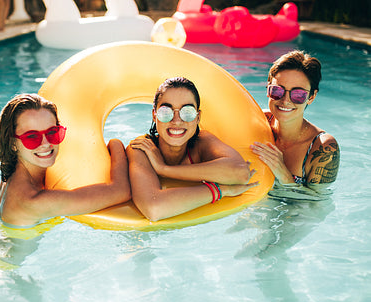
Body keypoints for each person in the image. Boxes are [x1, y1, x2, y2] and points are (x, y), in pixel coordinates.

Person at [127, 77, 258, 221]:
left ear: (198, 117)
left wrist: (164, 169)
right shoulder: (141, 148)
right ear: (154, 115)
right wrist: (222, 190)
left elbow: (241, 173)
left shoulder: (202, 141)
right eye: (166, 112)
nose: (176, 121)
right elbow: (153, 209)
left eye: (187, 112)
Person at [0, 93, 131, 226]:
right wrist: (116, 144)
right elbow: (121, 191)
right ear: (12, 143)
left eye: (52, 132)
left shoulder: (12, 173)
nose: (46, 143)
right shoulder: (34, 201)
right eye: (32, 137)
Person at [250, 50, 339, 199]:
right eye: (277, 90)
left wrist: (283, 174)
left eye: (298, 94)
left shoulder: (323, 147)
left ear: (311, 97)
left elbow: (317, 204)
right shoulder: (258, 121)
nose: (285, 100)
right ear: (268, 89)